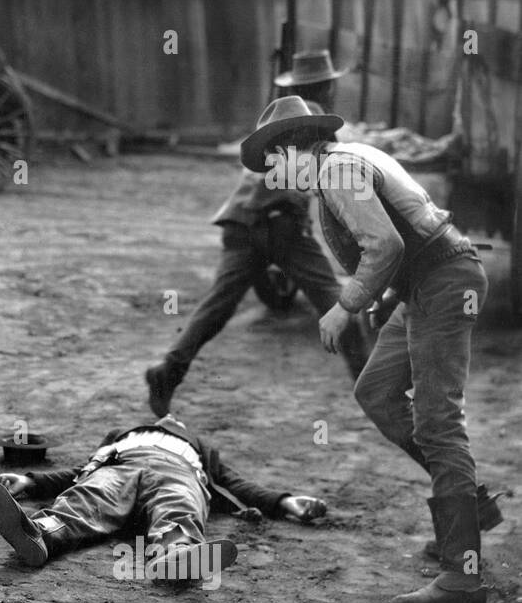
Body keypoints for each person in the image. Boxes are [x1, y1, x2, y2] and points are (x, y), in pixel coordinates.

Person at [239, 95, 494, 603]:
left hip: (445, 283)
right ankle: (465, 510)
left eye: (274, 159)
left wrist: (345, 306)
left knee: (438, 422)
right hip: (425, 286)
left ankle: (462, 577)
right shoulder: (348, 161)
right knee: (377, 391)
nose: (273, 173)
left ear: (294, 146)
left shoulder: (338, 171)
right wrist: (389, 296)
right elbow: (408, 233)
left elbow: (386, 246)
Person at [145, 51, 369, 418]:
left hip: (241, 220)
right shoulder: (311, 119)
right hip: (281, 225)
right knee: (338, 304)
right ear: (328, 87)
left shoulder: (280, 113)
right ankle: (372, 388)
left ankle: (168, 370)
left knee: (217, 306)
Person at [0, 414, 326, 583]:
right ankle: (39, 533)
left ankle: (177, 553)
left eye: (176, 420)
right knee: (90, 495)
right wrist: (28, 480)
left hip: (177, 472)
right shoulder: (120, 438)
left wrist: (284, 501)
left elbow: (238, 485)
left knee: (177, 503)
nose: (170, 419)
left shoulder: (200, 449)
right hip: (120, 467)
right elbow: (76, 474)